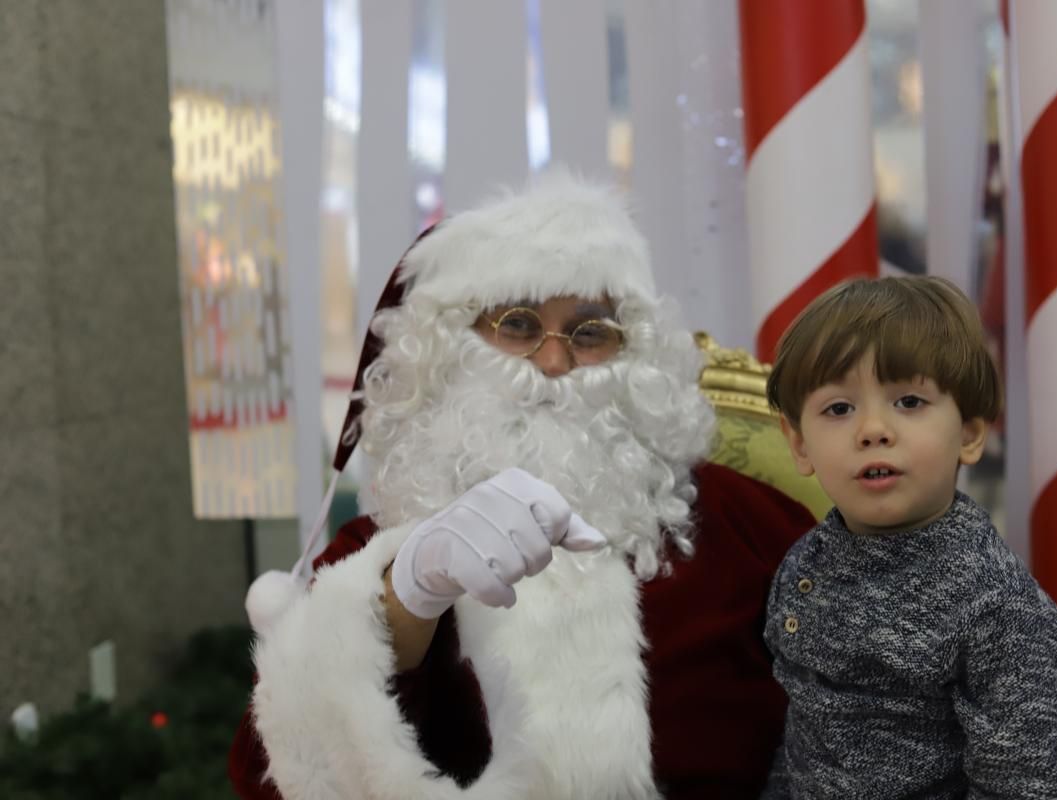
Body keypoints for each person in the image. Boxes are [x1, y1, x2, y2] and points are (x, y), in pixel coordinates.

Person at [227, 173, 818, 799]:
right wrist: (403, 603)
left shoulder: (746, 522)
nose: (553, 362)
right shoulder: (381, 544)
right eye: (517, 325)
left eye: (589, 332)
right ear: (451, 348)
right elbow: (271, 778)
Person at [760, 276, 1057, 798]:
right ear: (800, 445)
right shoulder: (806, 564)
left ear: (967, 433)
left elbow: (1032, 783)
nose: (872, 429)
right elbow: (804, 741)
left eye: (910, 401)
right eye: (839, 409)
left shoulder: (995, 607)